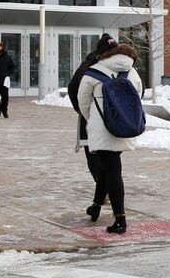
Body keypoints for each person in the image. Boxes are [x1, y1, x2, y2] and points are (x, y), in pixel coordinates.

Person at [77, 43, 143, 234]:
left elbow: (83, 102)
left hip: (101, 128)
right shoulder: (133, 72)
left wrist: (94, 120)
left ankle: (120, 219)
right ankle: (96, 207)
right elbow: (138, 95)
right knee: (107, 167)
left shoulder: (93, 72)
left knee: (112, 170)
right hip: (124, 126)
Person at [68, 33, 118, 221]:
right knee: (106, 159)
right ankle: (105, 194)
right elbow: (74, 87)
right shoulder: (93, 64)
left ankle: (103, 195)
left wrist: (84, 110)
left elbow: (73, 88)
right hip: (111, 119)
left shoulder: (97, 63)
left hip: (96, 118)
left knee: (98, 157)